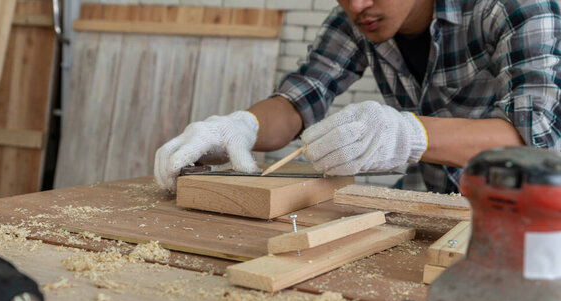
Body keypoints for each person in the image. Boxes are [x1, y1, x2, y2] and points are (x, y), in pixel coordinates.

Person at [154, 0, 561, 194]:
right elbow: (302, 96)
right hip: (427, 199)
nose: (357, 5)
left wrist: (406, 135)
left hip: (524, 210)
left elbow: (538, 141)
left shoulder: (513, 6)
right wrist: (240, 125)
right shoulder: (357, 18)